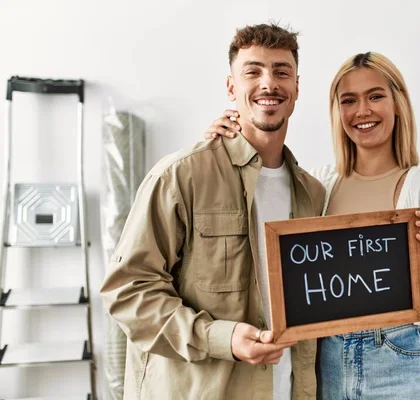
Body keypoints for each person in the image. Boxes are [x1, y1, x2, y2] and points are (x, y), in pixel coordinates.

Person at [205, 51, 420, 399]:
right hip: (325, 361)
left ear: (397, 103)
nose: (363, 111)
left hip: (395, 362)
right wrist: (220, 146)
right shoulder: (319, 186)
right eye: (349, 100)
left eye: (375, 96)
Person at [101, 23, 325, 400]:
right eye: (253, 71)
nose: (269, 83)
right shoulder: (182, 175)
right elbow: (127, 291)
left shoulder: (313, 194)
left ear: (297, 88)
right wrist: (222, 338)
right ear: (231, 87)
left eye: (281, 71)